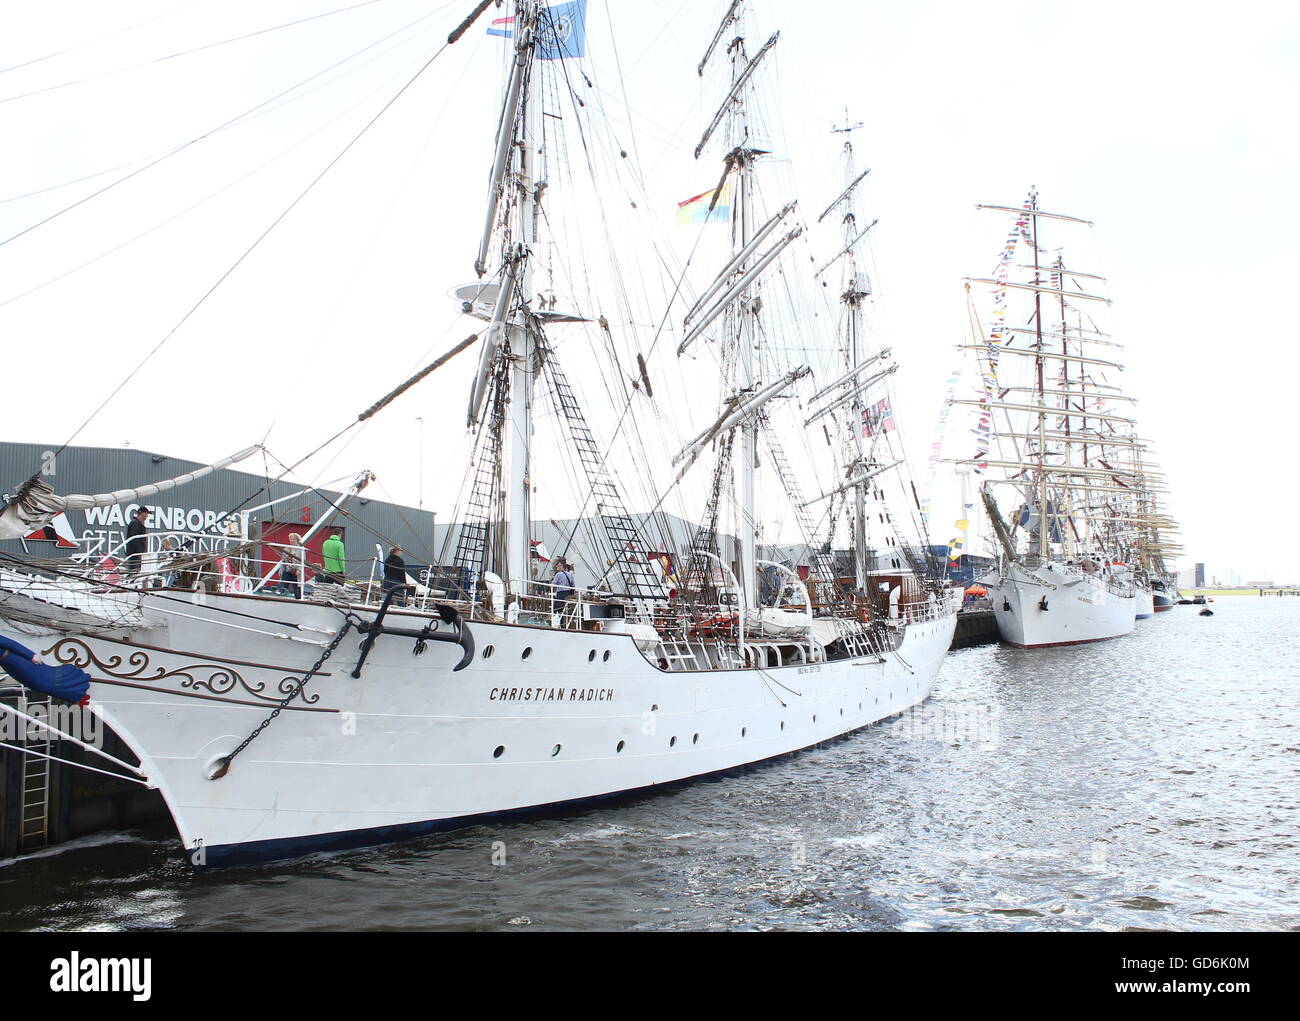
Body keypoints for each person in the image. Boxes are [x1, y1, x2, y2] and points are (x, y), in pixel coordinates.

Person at [124, 507, 150, 578]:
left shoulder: (137, 524)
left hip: (136, 554)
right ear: (142, 513)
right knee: (134, 570)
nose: (147, 516)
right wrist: (139, 552)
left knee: (136, 570)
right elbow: (134, 538)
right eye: (146, 514)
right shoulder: (134, 523)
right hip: (135, 554)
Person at [552, 559, 576, 624]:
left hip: (561, 594)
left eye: (558, 565)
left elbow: (553, 584)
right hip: (568, 594)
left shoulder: (558, 575)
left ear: (562, 566)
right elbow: (573, 585)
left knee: (556, 608)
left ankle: (555, 621)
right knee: (565, 609)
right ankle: (564, 623)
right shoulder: (570, 574)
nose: (557, 567)